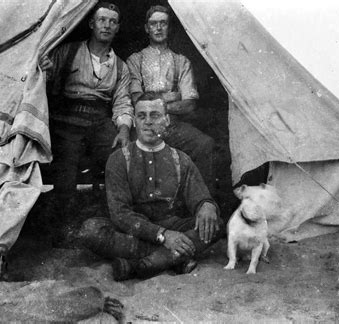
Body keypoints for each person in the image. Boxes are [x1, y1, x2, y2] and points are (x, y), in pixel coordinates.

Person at [78, 92, 223, 281]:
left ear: (167, 120)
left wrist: (207, 205)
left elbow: (200, 197)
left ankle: (139, 265)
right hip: (133, 229)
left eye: (155, 115)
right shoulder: (119, 159)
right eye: (141, 116)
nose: (147, 122)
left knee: (215, 224)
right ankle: (170, 258)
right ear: (135, 122)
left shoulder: (181, 159)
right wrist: (164, 236)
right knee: (91, 230)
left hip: (170, 223)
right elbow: (120, 214)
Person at [40, 2, 133, 215]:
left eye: (112, 22)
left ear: (118, 27)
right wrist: (42, 68)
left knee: (118, 159)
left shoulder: (120, 66)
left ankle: (114, 217)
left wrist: (124, 129)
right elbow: (42, 79)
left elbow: (122, 102)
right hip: (66, 121)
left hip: (99, 122)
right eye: (102, 20)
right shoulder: (67, 51)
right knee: (66, 168)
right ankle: (63, 227)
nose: (107, 25)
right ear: (92, 23)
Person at [126, 5, 216, 194]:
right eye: (153, 24)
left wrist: (156, 102)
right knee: (135, 155)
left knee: (204, 144)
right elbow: (136, 99)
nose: (158, 28)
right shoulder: (135, 60)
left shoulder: (181, 61)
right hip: (146, 125)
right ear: (146, 28)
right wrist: (171, 99)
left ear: (169, 27)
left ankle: (202, 202)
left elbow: (189, 104)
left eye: (163, 23)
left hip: (173, 125)